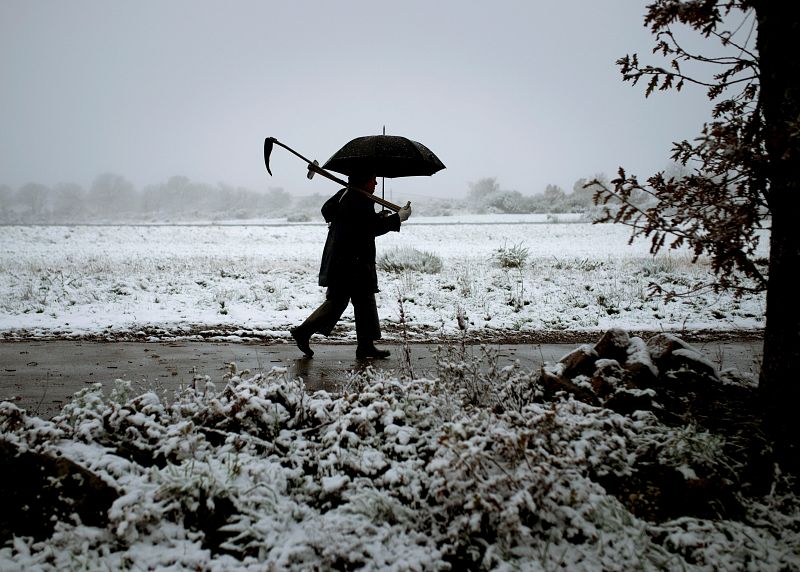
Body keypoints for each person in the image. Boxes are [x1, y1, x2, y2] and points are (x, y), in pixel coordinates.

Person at [290, 172, 412, 359]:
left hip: (346, 260)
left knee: (363, 302)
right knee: (342, 301)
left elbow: (359, 223)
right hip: (351, 262)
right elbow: (368, 229)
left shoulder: (346, 194)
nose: (376, 182)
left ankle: (365, 346)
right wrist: (397, 219)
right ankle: (304, 332)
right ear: (364, 181)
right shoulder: (357, 199)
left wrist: (377, 216)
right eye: (373, 179)